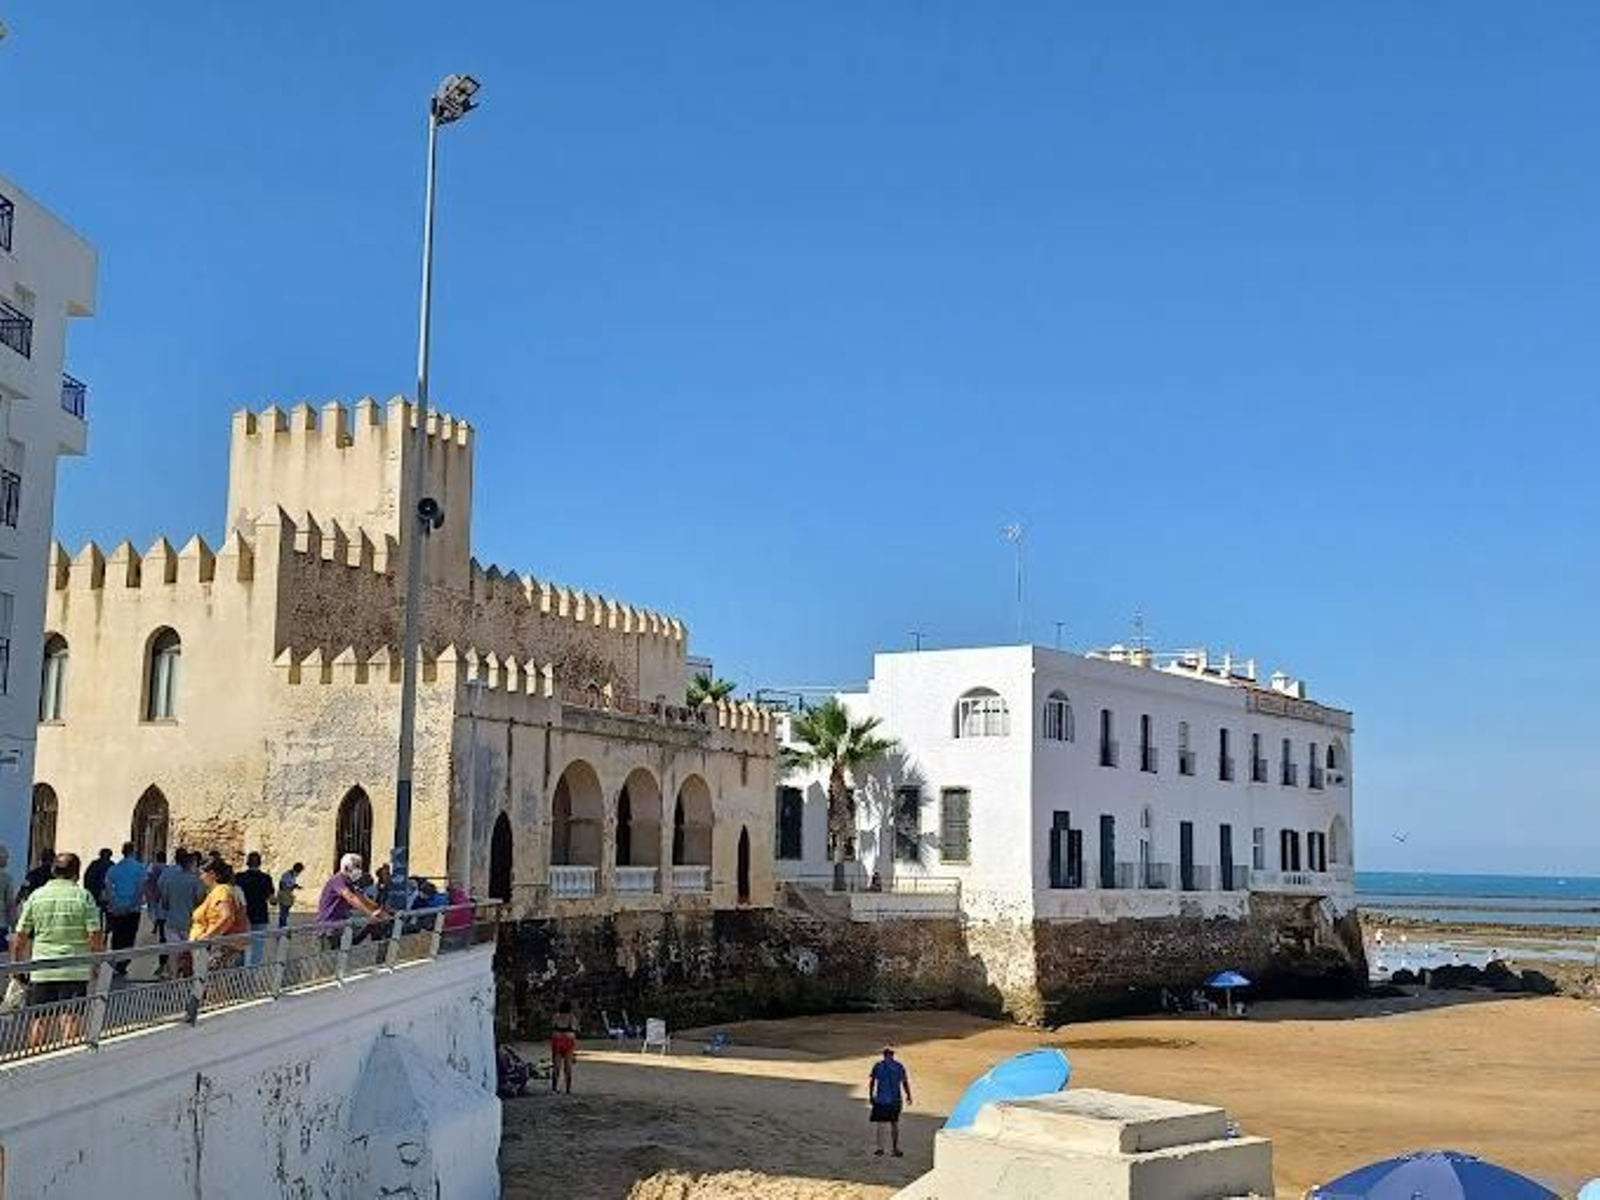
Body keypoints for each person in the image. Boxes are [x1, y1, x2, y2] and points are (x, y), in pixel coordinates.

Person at [11, 852, 105, 1049]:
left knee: (40, 1020)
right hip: (75, 968)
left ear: (53, 871)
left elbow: (20, 935)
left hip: (42, 969)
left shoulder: (37, 896)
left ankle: (33, 1062)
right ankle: (69, 1064)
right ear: (76, 873)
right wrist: (96, 962)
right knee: (70, 1018)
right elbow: (94, 934)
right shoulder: (83, 897)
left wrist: (16, 965)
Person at [317, 853, 387, 945]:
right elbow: (351, 897)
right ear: (346, 868)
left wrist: (379, 909)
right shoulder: (337, 880)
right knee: (330, 956)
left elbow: (362, 898)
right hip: (329, 929)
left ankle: (381, 954)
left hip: (341, 926)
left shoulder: (349, 883)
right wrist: (370, 913)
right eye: (356, 867)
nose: (359, 870)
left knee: (372, 925)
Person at [158, 851, 205, 978]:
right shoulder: (196, 881)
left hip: (172, 923)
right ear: (192, 865)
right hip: (190, 924)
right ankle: (188, 980)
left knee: (173, 955)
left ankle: (174, 980)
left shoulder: (170, 880)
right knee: (190, 954)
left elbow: (165, 903)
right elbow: (200, 902)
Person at [103, 841, 147, 976]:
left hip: (117, 909)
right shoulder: (140, 868)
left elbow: (108, 889)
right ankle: (123, 963)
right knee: (129, 936)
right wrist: (133, 904)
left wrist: (113, 904)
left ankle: (116, 961)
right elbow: (140, 888)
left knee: (117, 936)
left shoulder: (114, 869)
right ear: (133, 852)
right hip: (133, 910)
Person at [868, 1046, 912, 1157]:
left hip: (881, 1099)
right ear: (893, 1054)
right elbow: (904, 1083)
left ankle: (880, 1148)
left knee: (881, 1124)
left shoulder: (878, 1066)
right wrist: (908, 1095)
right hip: (895, 1099)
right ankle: (895, 1149)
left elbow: (872, 1082)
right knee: (894, 1124)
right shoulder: (899, 1066)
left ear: (884, 1054)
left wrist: (871, 1096)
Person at [236, 852, 275, 966]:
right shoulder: (266, 878)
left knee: (241, 945)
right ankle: (252, 972)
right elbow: (272, 899)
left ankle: (240, 971)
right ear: (260, 863)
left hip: (243, 916)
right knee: (257, 946)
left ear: (247, 863)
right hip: (260, 916)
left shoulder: (240, 877)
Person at [143, 850, 169, 972]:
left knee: (163, 936)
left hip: (157, 901)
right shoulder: (169, 870)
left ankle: (164, 963)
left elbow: (147, 882)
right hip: (169, 908)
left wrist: (148, 895)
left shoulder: (152, 868)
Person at [550, 999, 579, 1094]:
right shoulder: (572, 1017)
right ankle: (568, 1089)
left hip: (557, 1040)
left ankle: (554, 1088)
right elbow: (575, 1029)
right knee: (568, 1067)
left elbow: (552, 1027)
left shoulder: (556, 1016)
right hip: (568, 1040)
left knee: (556, 1066)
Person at [82, 847, 115, 917]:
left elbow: (87, 878)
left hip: (98, 893)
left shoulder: (94, 865)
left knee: (97, 914)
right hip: (104, 893)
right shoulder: (112, 865)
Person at [276, 862, 304, 928]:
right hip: (284, 895)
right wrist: (292, 887)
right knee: (283, 912)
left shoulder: (293, 876)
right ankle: (282, 927)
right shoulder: (286, 875)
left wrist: (296, 886)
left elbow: (291, 884)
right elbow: (282, 885)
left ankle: (283, 926)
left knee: (286, 912)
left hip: (288, 895)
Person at [0, 844, 15, 950]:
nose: (7, 860)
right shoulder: (6, 878)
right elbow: (10, 904)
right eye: (6, 857)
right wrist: (14, 926)